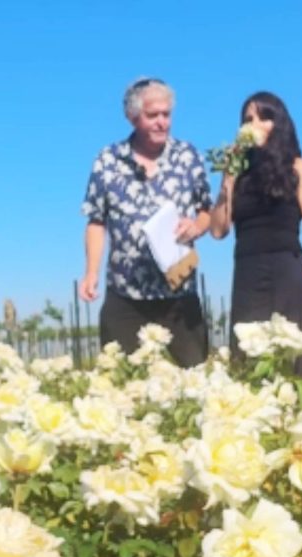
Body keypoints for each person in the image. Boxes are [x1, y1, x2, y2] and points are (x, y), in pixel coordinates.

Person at [79, 78, 212, 367]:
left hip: (178, 292)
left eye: (167, 114)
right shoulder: (108, 160)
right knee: (119, 380)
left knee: (195, 380)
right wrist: (90, 272)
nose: (162, 122)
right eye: (153, 115)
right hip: (125, 293)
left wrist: (196, 227)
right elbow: (96, 221)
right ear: (133, 117)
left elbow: (207, 211)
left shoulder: (188, 157)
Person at [209, 91, 302, 393]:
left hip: (288, 274)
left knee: (297, 368)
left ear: (279, 124)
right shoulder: (238, 173)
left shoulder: (299, 169)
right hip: (248, 277)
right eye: (248, 119)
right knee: (250, 370)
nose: (256, 124)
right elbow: (217, 230)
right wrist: (228, 178)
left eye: (264, 117)